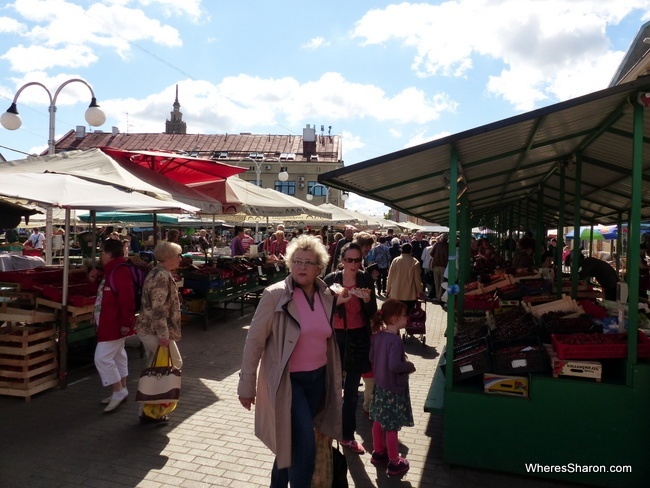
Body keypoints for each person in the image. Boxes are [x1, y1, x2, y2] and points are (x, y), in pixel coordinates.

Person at [238, 235, 342, 487]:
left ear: (320, 267)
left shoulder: (326, 295)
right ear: (289, 264)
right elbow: (254, 341)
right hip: (288, 383)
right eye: (296, 261)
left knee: (290, 443)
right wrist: (246, 384)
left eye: (308, 262)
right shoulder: (275, 296)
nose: (301, 267)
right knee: (304, 447)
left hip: (317, 381)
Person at [324, 242, 377, 455]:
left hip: (358, 337)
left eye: (357, 260)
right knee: (332, 386)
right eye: (349, 260)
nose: (354, 264)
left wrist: (366, 300)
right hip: (335, 337)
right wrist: (337, 302)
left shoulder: (365, 279)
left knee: (353, 390)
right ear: (342, 261)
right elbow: (320, 310)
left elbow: (372, 311)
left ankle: (348, 435)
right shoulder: (331, 280)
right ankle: (327, 429)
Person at [135, 240, 184, 423]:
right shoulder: (161, 276)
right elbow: (158, 309)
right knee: (172, 364)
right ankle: (154, 407)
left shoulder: (159, 273)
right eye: (178, 255)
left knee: (154, 367)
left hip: (149, 329)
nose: (180, 259)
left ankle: (148, 409)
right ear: (169, 257)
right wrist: (164, 335)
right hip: (153, 330)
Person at [368, 298, 415, 477]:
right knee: (392, 426)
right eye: (404, 316)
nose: (407, 318)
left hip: (380, 386)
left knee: (379, 419)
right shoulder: (395, 341)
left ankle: (378, 452)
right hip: (392, 388)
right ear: (395, 319)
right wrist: (409, 366)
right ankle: (395, 462)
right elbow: (395, 366)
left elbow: (372, 357)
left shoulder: (378, 336)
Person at [91, 238, 136, 413]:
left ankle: (118, 391)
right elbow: (106, 294)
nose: (100, 255)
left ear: (109, 254)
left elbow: (127, 298)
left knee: (101, 358)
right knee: (118, 355)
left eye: (101, 252)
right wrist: (93, 280)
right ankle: (121, 389)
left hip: (114, 323)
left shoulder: (119, 271)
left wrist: (126, 322)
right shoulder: (111, 270)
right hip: (110, 322)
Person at [387, 242, 424, 312]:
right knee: (408, 315)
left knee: (396, 315)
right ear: (411, 251)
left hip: (396, 293)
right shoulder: (415, 262)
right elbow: (417, 279)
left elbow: (390, 276)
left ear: (401, 250)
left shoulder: (395, 260)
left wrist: (388, 289)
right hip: (410, 294)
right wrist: (420, 291)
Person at [430, 233, 449, 302]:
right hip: (444, 266)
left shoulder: (437, 244)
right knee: (442, 282)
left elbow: (431, 254)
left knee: (436, 282)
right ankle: (440, 298)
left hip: (436, 265)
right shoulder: (448, 245)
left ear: (441, 238)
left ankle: (438, 297)